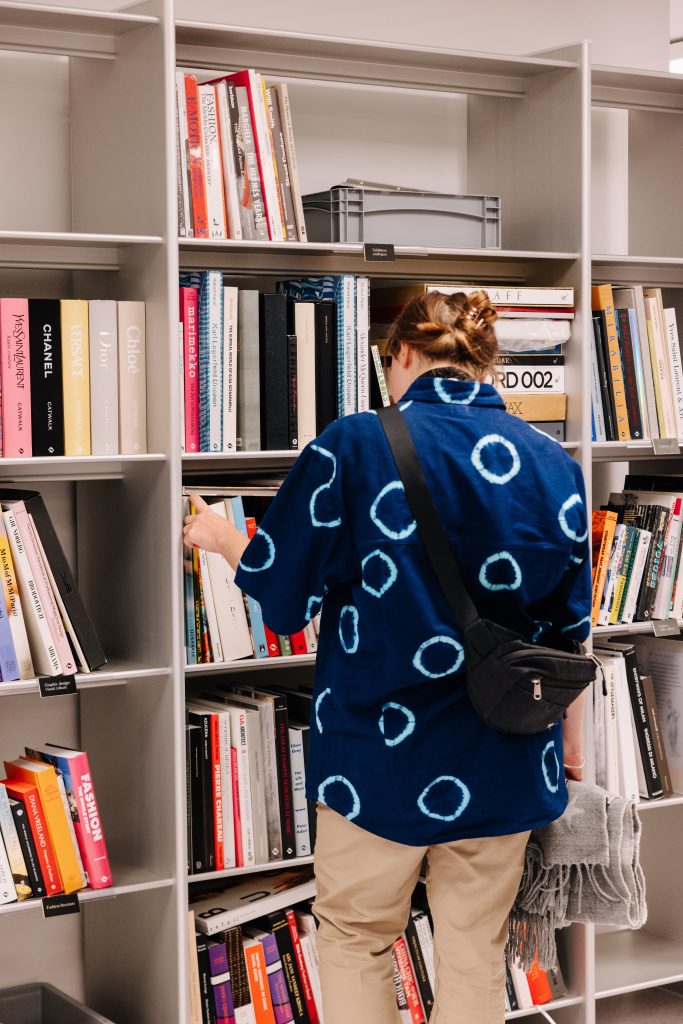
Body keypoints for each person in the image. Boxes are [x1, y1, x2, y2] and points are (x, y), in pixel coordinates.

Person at [183, 289, 591, 1024]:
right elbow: (569, 637)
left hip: (380, 760)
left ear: (400, 354)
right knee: (473, 950)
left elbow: (283, 597)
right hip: (503, 759)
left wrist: (221, 538)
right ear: (483, 361)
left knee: (355, 940)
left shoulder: (355, 444)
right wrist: (570, 753)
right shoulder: (553, 463)